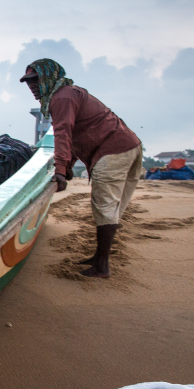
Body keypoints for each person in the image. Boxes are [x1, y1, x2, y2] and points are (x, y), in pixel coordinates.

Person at [21, 58, 142, 278]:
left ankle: (102, 266)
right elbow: (79, 136)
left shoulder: (62, 98)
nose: (32, 87)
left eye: (36, 81)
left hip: (113, 151)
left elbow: (63, 134)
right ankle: (99, 257)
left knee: (105, 208)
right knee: (111, 210)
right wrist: (67, 166)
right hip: (129, 147)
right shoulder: (69, 93)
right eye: (29, 83)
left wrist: (59, 171)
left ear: (50, 77)